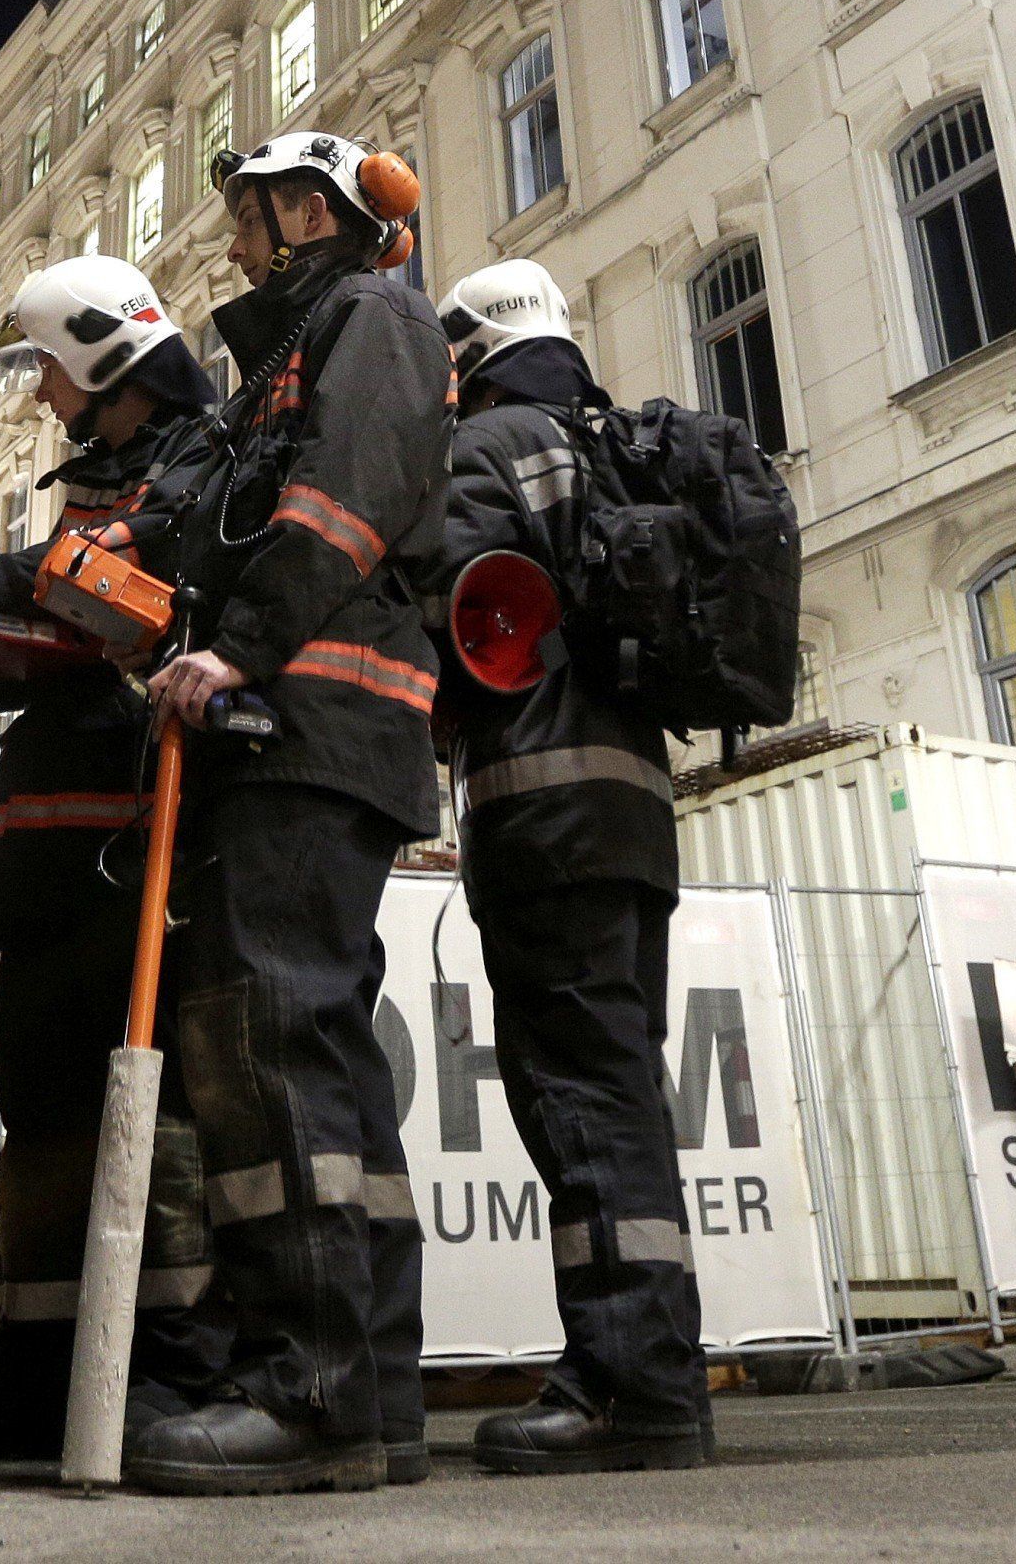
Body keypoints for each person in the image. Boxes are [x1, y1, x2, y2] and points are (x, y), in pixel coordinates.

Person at [123, 131, 450, 1496]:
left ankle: (311, 1398)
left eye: (251, 218)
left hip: (311, 719)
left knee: (276, 1046)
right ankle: (360, 1392)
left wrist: (239, 647)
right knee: (302, 1048)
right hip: (293, 726)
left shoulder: (370, 315)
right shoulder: (293, 346)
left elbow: (341, 503)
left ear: (310, 210)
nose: (235, 244)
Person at [0, 255, 225, 1462]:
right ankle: (35, 1374)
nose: (36, 394)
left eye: (42, 368)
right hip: (46, 837)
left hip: (139, 838)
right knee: (41, 1116)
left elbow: (120, 581)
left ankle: (168, 1376)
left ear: (91, 353)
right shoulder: (97, 478)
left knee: (158, 1113)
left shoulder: (199, 458)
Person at [429, 261, 711, 1475]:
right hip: (637, 808)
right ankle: (647, 1371)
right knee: (623, 1087)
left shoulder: (487, 443)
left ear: (471, 349)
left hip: (540, 810)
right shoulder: (617, 443)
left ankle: (629, 1387)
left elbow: (445, 616)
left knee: (581, 1098)